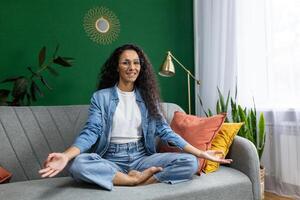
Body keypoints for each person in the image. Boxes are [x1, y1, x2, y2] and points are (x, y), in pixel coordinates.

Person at [39, 44, 232, 191]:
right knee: (77, 164)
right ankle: (133, 181)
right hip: (111, 159)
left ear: (141, 67)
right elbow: (91, 132)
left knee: (189, 163)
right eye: (126, 62)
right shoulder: (102, 97)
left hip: (141, 158)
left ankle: (136, 179)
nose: (132, 67)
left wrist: (200, 153)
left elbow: (166, 132)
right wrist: (65, 155)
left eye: (136, 62)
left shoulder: (148, 98)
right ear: (116, 67)